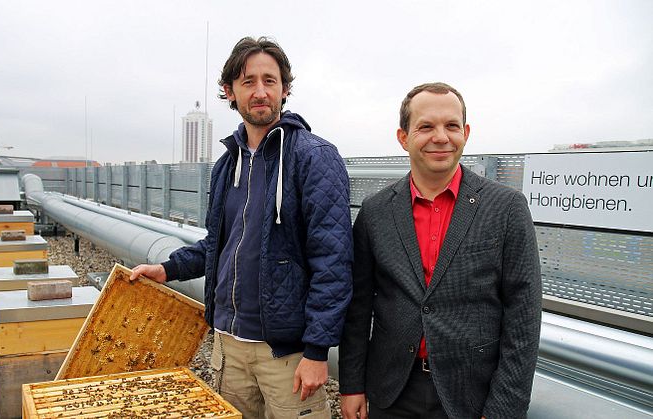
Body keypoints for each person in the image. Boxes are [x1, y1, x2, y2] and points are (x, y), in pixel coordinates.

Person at [130, 36, 353, 418]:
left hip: (285, 354)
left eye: (270, 80)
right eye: (248, 81)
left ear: (285, 90)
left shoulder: (314, 157)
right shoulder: (225, 165)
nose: (260, 91)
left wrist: (317, 351)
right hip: (228, 346)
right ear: (229, 91)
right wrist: (167, 269)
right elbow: (218, 244)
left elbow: (333, 261)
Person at [339, 82, 542, 419]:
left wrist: (504, 408)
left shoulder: (506, 208)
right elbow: (358, 307)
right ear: (403, 138)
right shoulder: (375, 212)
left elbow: (524, 316)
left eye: (451, 126)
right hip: (392, 391)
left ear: (466, 132)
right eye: (426, 126)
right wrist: (351, 385)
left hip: (472, 395)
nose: (441, 137)